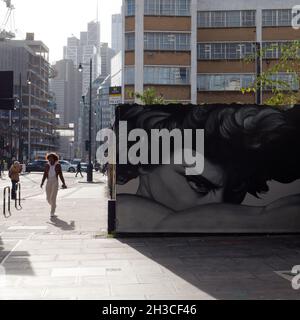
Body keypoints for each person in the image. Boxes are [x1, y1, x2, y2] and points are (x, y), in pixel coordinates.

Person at [116, 104, 300, 232]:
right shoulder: (126, 210)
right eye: (198, 184)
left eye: (235, 191)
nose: (218, 204)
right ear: (146, 163)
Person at [40, 153, 67, 218]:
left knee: (53, 197)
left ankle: (52, 212)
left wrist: (63, 183)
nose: (50, 159)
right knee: (48, 198)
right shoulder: (47, 165)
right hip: (48, 181)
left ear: (54, 159)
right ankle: (53, 205)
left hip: (55, 181)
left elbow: (61, 175)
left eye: (51, 158)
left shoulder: (58, 165)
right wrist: (42, 182)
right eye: (49, 158)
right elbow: (45, 174)